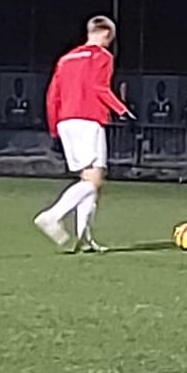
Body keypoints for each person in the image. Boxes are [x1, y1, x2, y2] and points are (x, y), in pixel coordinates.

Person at [33, 15, 131, 253]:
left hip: (66, 121)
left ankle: (84, 238)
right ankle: (52, 216)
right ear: (106, 34)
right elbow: (100, 87)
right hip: (89, 119)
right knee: (93, 181)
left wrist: (54, 127)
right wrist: (122, 110)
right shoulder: (102, 56)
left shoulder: (66, 58)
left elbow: (52, 95)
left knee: (88, 179)